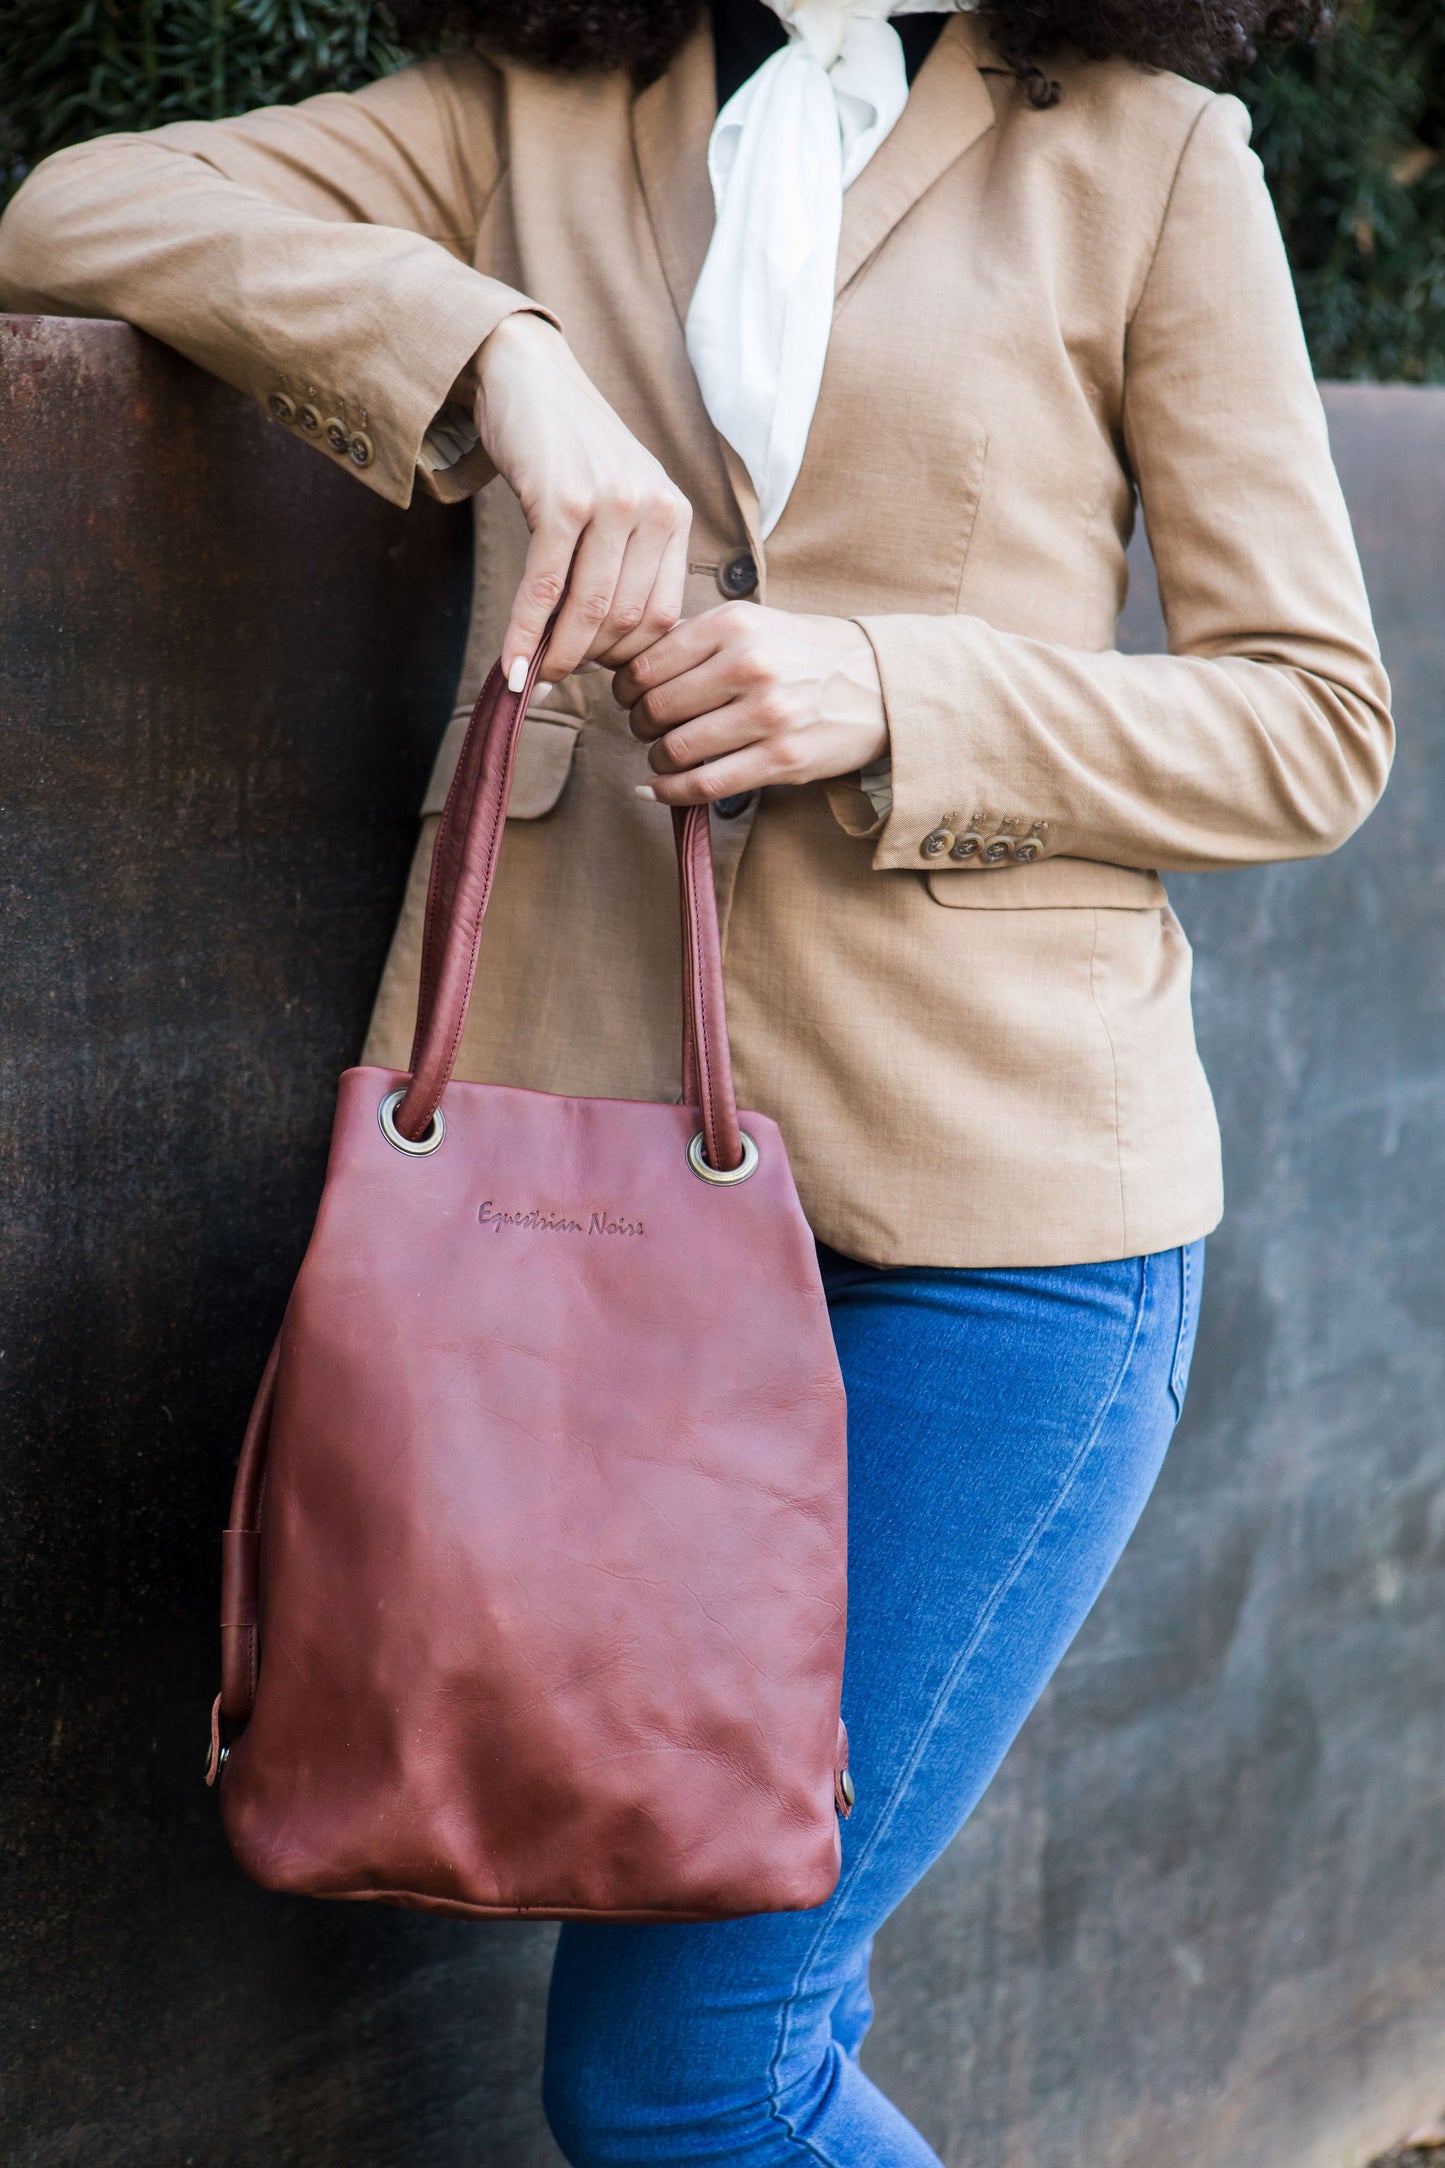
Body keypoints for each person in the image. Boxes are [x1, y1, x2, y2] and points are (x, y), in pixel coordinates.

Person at [0, 1, 1392, 2160]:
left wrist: (887, 685)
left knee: (687, 2072)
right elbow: (71, 206)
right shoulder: (521, 118)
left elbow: (1314, 720)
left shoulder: (1156, 155)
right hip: (580, 1246)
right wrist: (494, 355)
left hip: (1000, 1239)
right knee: (706, 2065)